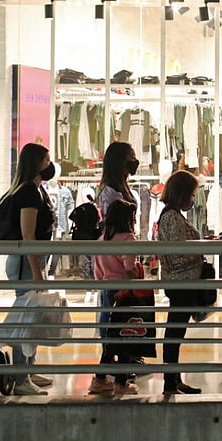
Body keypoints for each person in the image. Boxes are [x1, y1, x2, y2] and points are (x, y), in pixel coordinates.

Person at [3, 142, 57, 395]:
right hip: (27, 263)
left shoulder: (35, 190)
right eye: (46, 161)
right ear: (36, 163)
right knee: (25, 318)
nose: (50, 166)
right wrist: (37, 272)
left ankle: (28, 370)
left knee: (32, 317)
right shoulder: (28, 192)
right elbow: (28, 235)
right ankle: (20, 377)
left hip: (32, 261)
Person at [156, 170, 205, 395]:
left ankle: (174, 379)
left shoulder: (172, 216)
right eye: (191, 194)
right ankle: (171, 381)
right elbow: (176, 256)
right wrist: (200, 251)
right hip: (181, 283)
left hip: (181, 283)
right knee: (175, 333)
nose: (193, 199)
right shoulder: (172, 218)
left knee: (175, 332)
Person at [89, 199, 140, 395]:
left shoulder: (102, 240)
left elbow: (97, 271)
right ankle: (120, 383)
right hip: (123, 292)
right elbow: (129, 268)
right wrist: (135, 275)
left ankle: (100, 380)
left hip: (107, 291)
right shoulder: (128, 239)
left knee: (110, 337)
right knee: (126, 336)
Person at [97, 142, 139, 338]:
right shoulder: (110, 191)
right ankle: (109, 345)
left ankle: (121, 345)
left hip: (124, 251)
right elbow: (110, 223)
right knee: (111, 304)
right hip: (115, 256)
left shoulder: (123, 186)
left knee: (121, 306)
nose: (134, 161)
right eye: (130, 157)